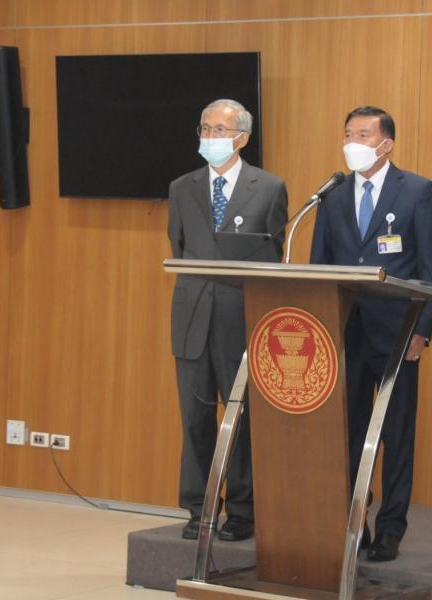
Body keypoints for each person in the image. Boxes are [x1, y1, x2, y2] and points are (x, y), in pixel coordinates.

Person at [310, 106, 432, 562]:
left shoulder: (417, 191)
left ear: (386, 144)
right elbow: (319, 266)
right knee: (346, 434)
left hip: (397, 334)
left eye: (363, 135)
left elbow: (430, 268)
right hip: (345, 333)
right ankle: (352, 523)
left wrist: (422, 329)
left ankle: (391, 528)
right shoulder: (332, 195)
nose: (353, 142)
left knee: (397, 435)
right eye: (348, 133)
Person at [168, 98, 288, 542]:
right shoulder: (181, 187)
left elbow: (272, 255)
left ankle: (242, 509)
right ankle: (198, 508)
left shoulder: (269, 188)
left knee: (242, 418)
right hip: (192, 315)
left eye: (219, 130)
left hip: (242, 316)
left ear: (242, 138)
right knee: (195, 418)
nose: (209, 137)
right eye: (204, 128)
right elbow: (179, 245)